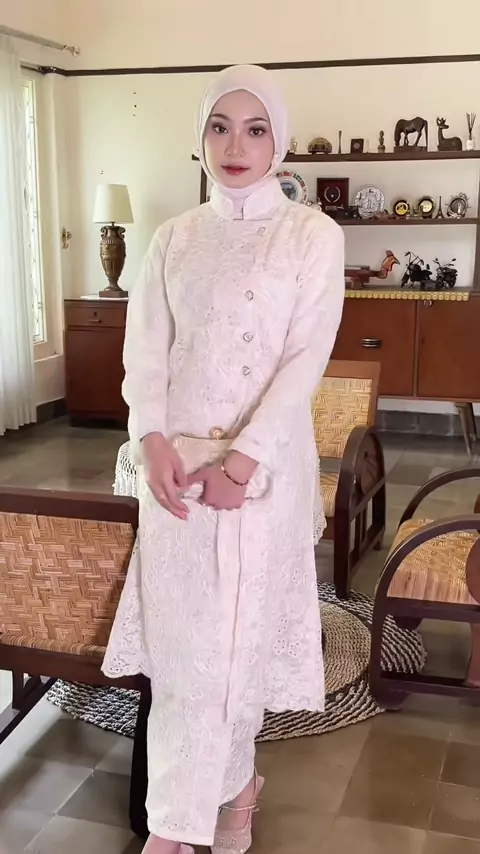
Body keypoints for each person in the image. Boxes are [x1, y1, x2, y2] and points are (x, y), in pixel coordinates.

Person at [102, 63, 344, 854]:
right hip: (175, 477)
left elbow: (304, 362)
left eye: (255, 129)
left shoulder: (311, 235)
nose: (235, 146)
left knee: (239, 650)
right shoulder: (173, 238)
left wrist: (241, 466)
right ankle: (212, 807)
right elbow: (146, 355)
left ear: (279, 142)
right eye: (219, 127)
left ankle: (175, 832)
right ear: (200, 137)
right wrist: (151, 441)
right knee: (184, 659)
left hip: (260, 477)